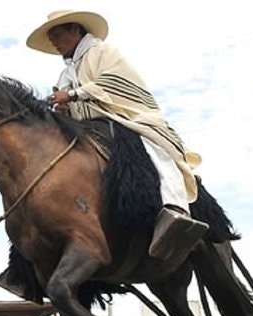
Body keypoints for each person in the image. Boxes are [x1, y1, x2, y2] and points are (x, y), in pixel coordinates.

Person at [25, 9, 209, 261]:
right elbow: (72, 103)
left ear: (75, 30)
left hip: (128, 117)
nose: (54, 43)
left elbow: (116, 82)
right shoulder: (66, 73)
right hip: (90, 129)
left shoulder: (103, 52)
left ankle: (175, 209)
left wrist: (73, 95)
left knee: (152, 146)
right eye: (51, 39)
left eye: (57, 35)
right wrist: (65, 109)